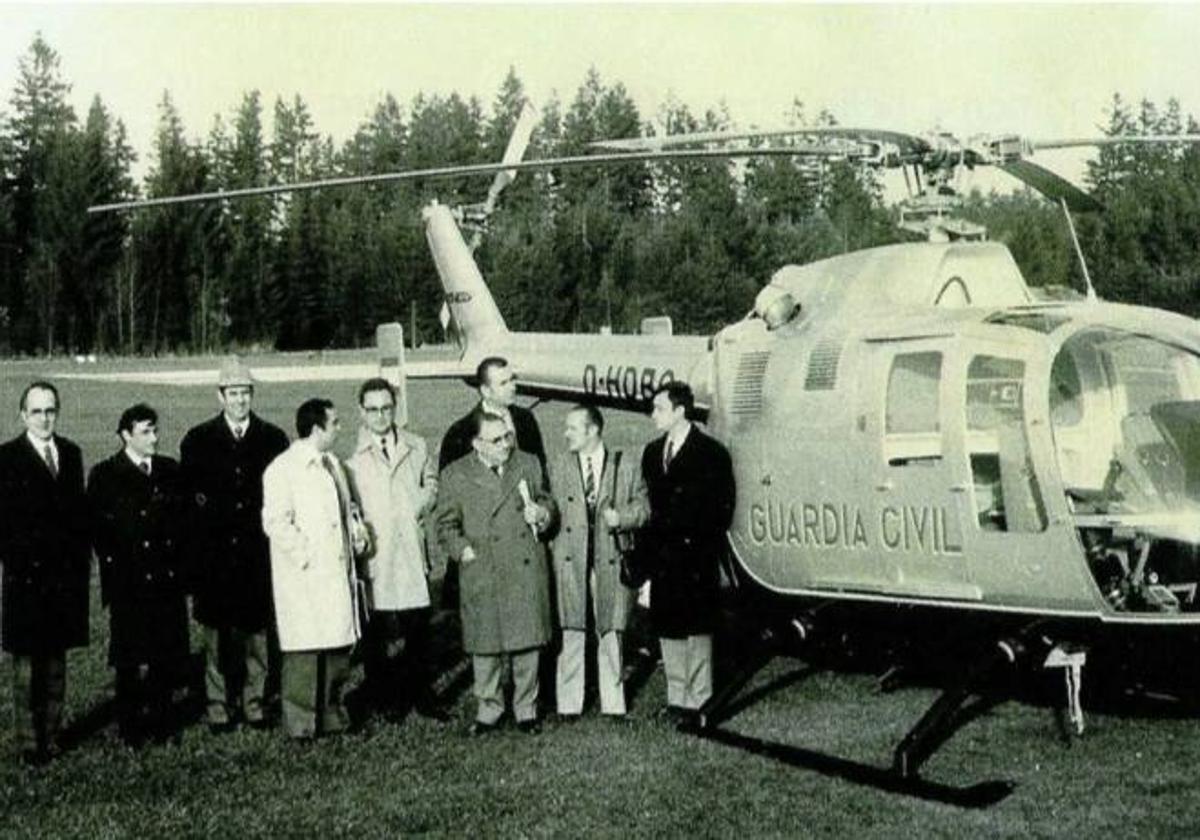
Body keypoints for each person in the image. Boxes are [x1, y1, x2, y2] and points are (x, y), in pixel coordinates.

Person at [180, 356, 289, 733]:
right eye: (233, 393)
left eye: (245, 393)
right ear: (220, 395)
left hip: (257, 556)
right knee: (217, 640)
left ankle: (255, 702)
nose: (240, 400)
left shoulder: (273, 439)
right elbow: (190, 509)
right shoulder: (197, 441)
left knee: (257, 637)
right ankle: (218, 706)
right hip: (215, 560)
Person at [436, 410, 555, 734]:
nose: (505, 444)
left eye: (508, 436)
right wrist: (464, 550)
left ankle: (526, 709)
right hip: (483, 568)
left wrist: (543, 513)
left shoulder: (528, 463)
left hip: (523, 566)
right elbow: (445, 526)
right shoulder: (455, 475)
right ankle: (489, 709)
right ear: (477, 444)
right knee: (485, 644)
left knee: (527, 643)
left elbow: (548, 501)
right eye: (496, 439)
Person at [262, 398, 368, 740]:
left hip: (337, 574)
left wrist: (356, 532)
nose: (340, 427)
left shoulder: (334, 465)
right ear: (317, 428)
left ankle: (332, 715)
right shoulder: (283, 469)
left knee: (337, 649)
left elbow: (347, 508)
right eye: (335, 422)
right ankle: (301, 724)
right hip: (305, 579)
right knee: (305, 653)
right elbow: (276, 522)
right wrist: (307, 555)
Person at [345, 378, 447, 722]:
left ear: (395, 407)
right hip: (377, 551)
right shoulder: (353, 458)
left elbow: (431, 480)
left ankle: (422, 695)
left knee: (417, 627)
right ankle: (384, 696)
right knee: (376, 632)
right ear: (362, 412)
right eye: (372, 410)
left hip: (410, 547)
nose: (379, 416)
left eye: (386, 408)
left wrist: (424, 501)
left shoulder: (416, 445)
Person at [88, 404, 191, 746]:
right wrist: (116, 569)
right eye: (145, 431)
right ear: (126, 435)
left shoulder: (170, 470)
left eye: (155, 430)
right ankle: (131, 728)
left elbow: (182, 521)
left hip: (166, 582)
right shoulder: (104, 475)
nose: (154, 438)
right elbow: (99, 531)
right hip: (129, 585)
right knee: (129, 661)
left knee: (165, 657)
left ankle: (163, 724)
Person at [0, 382, 90, 765]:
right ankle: (26, 741)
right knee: (26, 667)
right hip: (26, 578)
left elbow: (77, 515)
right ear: (23, 416)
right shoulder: (6, 458)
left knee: (55, 662)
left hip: (63, 578)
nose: (44, 418)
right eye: (36, 411)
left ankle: (51, 735)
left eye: (50, 410)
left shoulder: (70, 454)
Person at [641, 382, 735, 726]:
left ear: (680, 411)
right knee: (669, 628)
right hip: (664, 560)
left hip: (695, 560)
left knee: (697, 630)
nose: (653, 415)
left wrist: (699, 547)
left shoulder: (712, 454)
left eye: (659, 409)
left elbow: (722, 509)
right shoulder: (652, 453)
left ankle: (700, 700)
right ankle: (677, 698)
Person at [549, 405, 648, 721]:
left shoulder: (625, 464)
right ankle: (568, 704)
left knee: (611, 630)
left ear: (592, 430)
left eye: (573, 428)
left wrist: (623, 518)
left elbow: (644, 506)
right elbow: (549, 505)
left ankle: (613, 703)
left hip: (610, 561)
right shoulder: (559, 466)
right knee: (572, 629)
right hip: (571, 561)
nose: (566, 434)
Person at [437, 356, 547, 610]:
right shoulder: (461, 433)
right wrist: (465, 552)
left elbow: (541, 480)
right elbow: (448, 504)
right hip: (484, 557)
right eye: (504, 382)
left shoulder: (527, 422)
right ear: (485, 390)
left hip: (525, 550)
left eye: (513, 379)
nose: (513, 386)